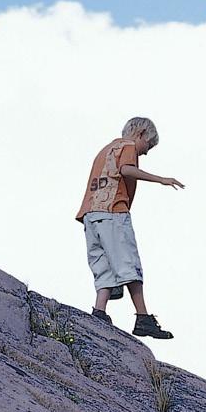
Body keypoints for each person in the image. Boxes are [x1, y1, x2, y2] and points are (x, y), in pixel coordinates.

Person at [75, 117, 183, 337]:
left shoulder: (105, 149)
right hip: (113, 210)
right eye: (149, 145)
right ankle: (142, 317)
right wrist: (160, 179)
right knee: (128, 263)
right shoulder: (128, 145)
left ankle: (99, 310)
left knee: (103, 265)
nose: (146, 152)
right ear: (141, 133)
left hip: (90, 214)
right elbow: (126, 170)